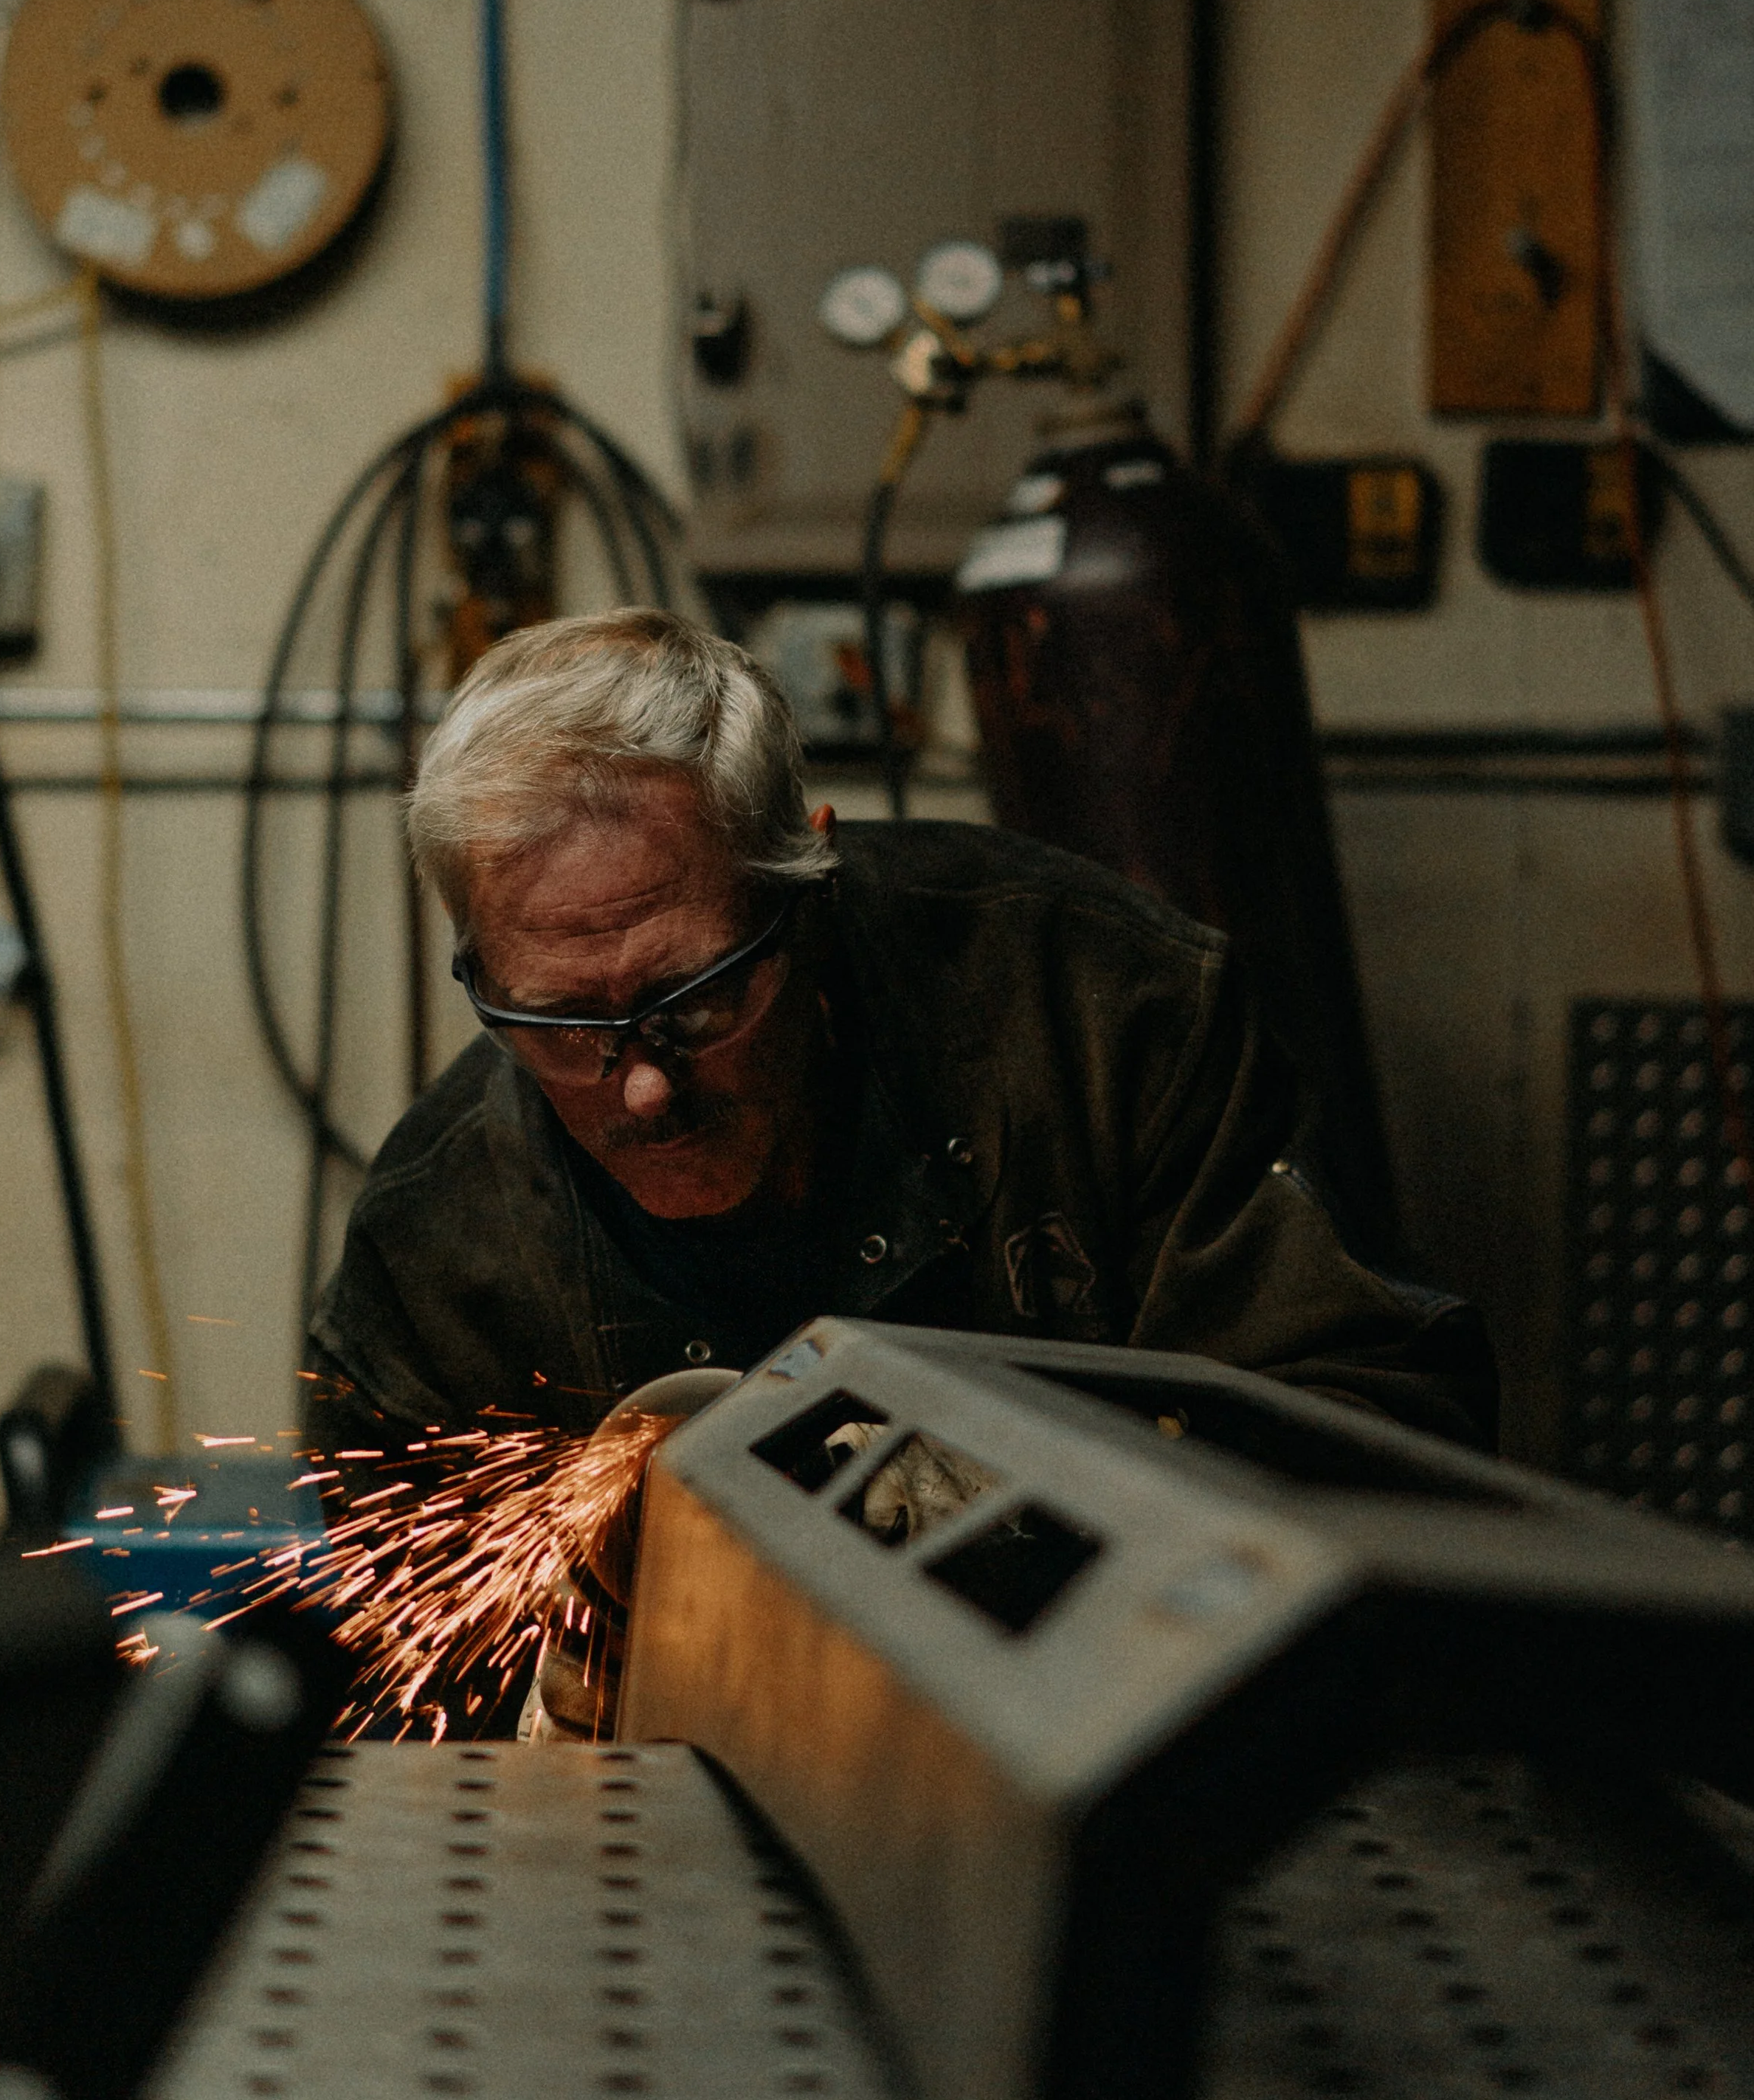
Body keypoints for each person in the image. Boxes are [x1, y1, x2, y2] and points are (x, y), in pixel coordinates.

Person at [305, 607, 1494, 1727]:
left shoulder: (1097, 1017)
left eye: (700, 995)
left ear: (806, 884)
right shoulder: (438, 1250)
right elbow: (388, 1673)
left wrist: (1034, 1506)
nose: (646, 1086)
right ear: (481, 971)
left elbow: (1384, 1426)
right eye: (565, 1024)